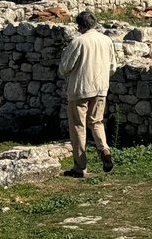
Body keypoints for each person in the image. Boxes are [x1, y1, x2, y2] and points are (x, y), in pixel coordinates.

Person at [58, 11, 117, 178]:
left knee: (78, 126)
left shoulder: (78, 42)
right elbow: (113, 67)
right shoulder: (107, 40)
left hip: (80, 89)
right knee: (96, 122)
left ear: (80, 26)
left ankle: (80, 167)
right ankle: (104, 149)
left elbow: (65, 67)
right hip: (101, 88)